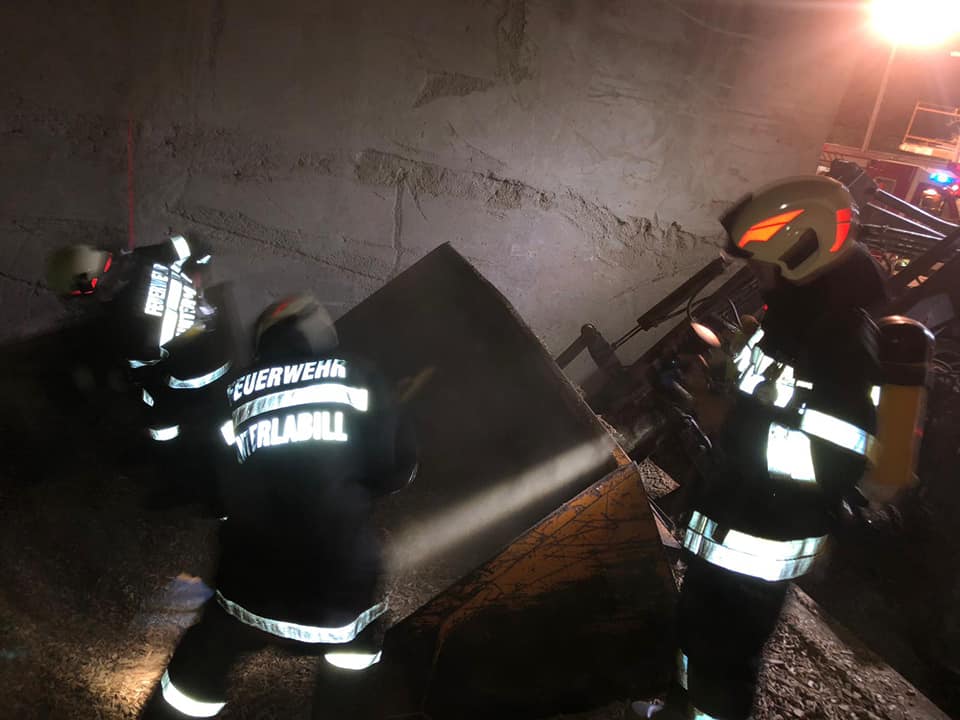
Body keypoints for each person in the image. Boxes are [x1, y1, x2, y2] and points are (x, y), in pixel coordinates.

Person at [630, 176, 933, 720]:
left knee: (724, 661)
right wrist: (714, 378)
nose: (756, 276)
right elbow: (768, 395)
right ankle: (678, 711)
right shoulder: (792, 320)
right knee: (695, 638)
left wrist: (730, 422)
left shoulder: (844, 345)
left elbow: (833, 460)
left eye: (761, 265)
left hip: (764, 540)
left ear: (799, 253)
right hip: (732, 517)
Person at [140, 293, 417, 719]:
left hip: (253, 583)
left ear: (262, 342)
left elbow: (206, 488)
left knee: (199, 671)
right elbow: (396, 471)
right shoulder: (361, 376)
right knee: (354, 661)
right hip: (345, 585)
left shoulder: (233, 392)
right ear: (322, 334)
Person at [45, 236, 236, 507]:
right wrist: (197, 277)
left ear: (85, 287)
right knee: (220, 426)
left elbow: (136, 370)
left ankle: (193, 483)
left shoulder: (123, 323)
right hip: (218, 339)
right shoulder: (146, 257)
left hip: (193, 376)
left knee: (161, 421)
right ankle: (218, 474)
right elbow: (199, 244)